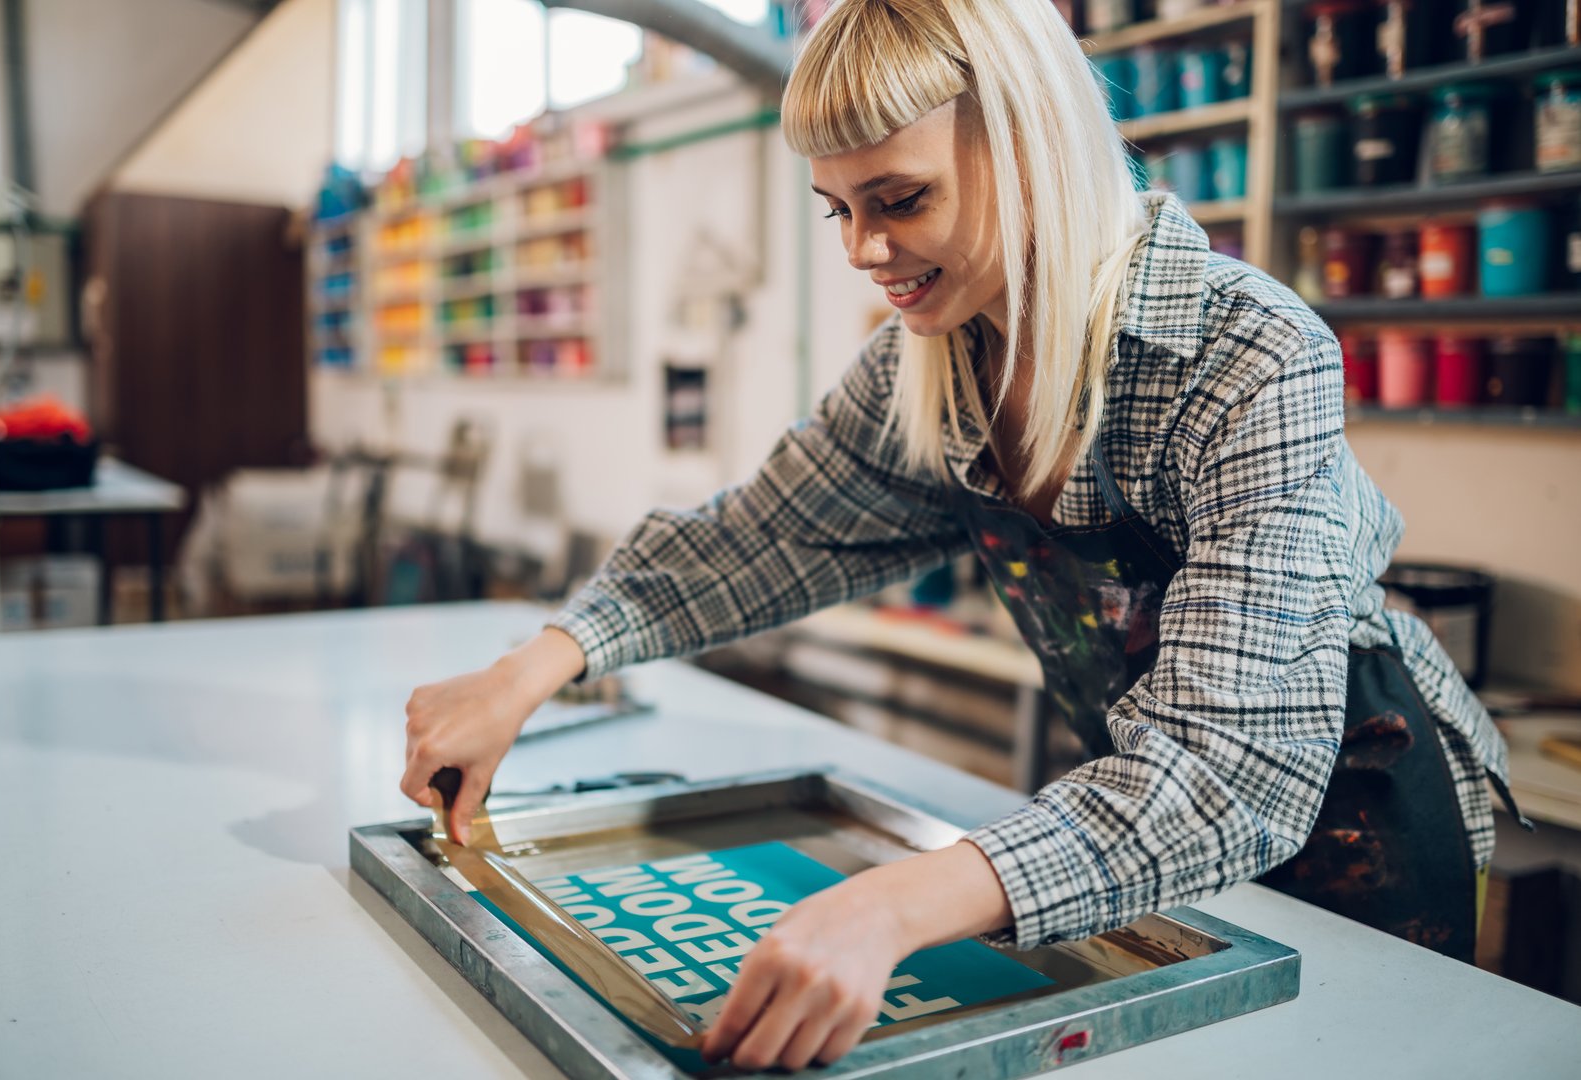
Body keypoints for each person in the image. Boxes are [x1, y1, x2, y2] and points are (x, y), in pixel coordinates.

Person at [402, 0, 1527, 1070]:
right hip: (1135, 831)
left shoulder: (1251, 358)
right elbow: (764, 533)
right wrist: (533, 667)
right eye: (837, 210)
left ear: (1032, 146)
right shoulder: (938, 363)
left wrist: (899, 900)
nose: (861, 249)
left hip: (1353, 829)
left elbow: (1227, 772)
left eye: (898, 200)